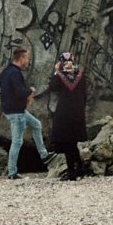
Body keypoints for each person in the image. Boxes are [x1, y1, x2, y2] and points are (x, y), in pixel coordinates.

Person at [0, 45, 47, 180]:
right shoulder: (15, 73)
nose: (28, 61)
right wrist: (30, 90)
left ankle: (44, 155)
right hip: (17, 112)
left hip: (12, 109)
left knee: (36, 124)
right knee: (17, 142)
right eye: (27, 58)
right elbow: (20, 93)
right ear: (21, 58)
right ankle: (12, 172)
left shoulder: (6, 72)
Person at [46, 50, 90, 181]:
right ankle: (80, 169)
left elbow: (52, 87)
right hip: (77, 112)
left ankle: (72, 173)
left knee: (66, 142)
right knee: (72, 142)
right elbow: (84, 94)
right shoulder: (81, 75)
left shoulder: (60, 76)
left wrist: (56, 71)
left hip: (64, 113)